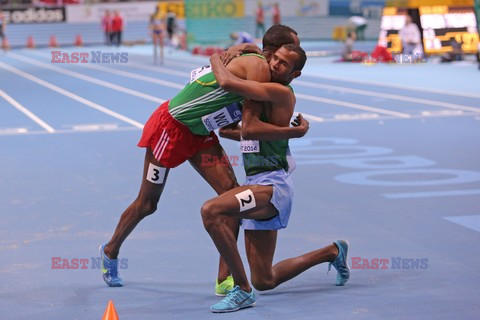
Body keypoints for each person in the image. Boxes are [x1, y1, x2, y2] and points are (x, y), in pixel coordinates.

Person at [99, 25, 306, 292]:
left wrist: (237, 50)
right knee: (147, 203)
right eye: (288, 50)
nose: (293, 55)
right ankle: (110, 251)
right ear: (275, 50)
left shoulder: (258, 62)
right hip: (171, 129)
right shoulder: (258, 69)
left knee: (230, 199)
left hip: (199, 134)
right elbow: (240, 108)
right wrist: (293, 131)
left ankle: (225, 280)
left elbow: (232, 122)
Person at [202, 45, 350, 313]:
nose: (274, 64)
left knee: (212, 211)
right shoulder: (260, 90)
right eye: (274, 58)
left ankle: (241, 290)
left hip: (272, 186)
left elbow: (228, 86)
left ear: (296, 74)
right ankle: (332, 251)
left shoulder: (280, 92)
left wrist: (216, 57)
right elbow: (231, 131)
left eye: (283, 64)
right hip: (254, 183)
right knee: (265, 279)